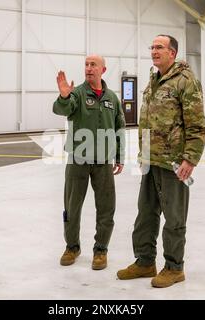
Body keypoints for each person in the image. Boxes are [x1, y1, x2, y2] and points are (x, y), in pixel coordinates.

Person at [117, 35, 205, 288]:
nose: (154, 51)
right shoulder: (154, 80)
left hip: (174, 163)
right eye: (152, 47)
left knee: (174, 217)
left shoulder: (185, 81)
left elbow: (198, 126)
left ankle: (174, 267)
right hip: (150, 160)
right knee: (145, 214)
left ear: (173, 53)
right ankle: (145, 261)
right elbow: (147, 122)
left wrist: (190, 159)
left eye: (160, 47)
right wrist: (142, 155)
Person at [53, 55, 126, 270]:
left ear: (103, 70)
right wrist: (64, 96)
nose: (88, 68)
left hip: (103, 161)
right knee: (72, 206)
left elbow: (119, 128)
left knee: (106, 208)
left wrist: (120, 156)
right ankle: (72, 247)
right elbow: (61, 109)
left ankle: (101, 250)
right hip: (78, 160)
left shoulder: (112, 98)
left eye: (93, 65)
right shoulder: (76, 93)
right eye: (86, 65)